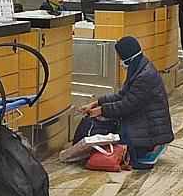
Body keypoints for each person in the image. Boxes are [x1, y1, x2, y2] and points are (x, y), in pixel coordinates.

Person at [73, 35, 174, 169]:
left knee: (124, 149)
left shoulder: (144, 76)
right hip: (145, 122)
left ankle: (155, 146)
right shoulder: (139, 67)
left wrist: (102, 110)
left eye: (120, 57)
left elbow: (128, 105)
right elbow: (123, 95)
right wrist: (98, 103)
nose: (120, 61)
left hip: (152, 129)